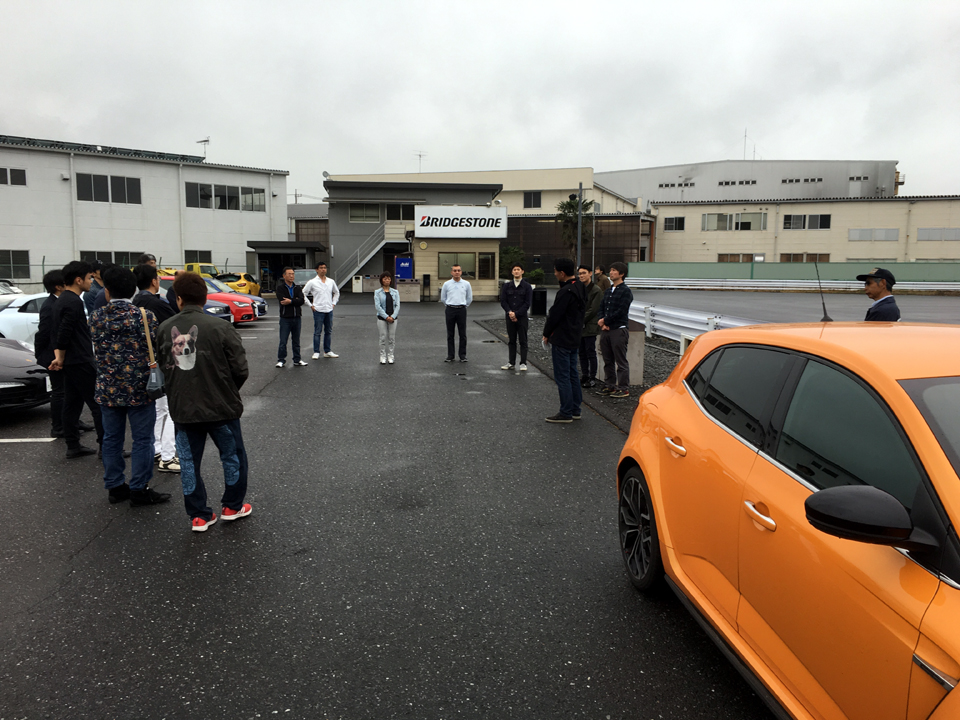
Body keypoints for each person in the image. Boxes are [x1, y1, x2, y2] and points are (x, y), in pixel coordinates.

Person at [157, 272, 251, 532]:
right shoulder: (221, 327)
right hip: (222, 407)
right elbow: (240, 369)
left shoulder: (164, 328)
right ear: (205, 297)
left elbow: (164, 367)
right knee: (231, 456)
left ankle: (198, 515)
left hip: (184, 409)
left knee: (188, 462)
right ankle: (232, 506)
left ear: (178, 299)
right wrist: (227, 390)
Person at [90, 267, 171, 506]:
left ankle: (115, 486)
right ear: (134, 290)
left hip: (107, 387)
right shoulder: (145, 316)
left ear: (107, 291)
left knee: (111, 438)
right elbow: (158, 346)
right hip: (140, 388)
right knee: (142, 439)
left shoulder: (96, 317)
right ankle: (139, 488)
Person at [50, 261, 104, 458]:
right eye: (89, 278)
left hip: (72, 361)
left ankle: (73, 445)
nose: (91, 282)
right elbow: (64, 333)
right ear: (78, 280)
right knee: (97, 404)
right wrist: (60, 358)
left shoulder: (62, 300)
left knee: (72, 403)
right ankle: (106, 447)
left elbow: (57, 333)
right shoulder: (73, 302)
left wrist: (60, 357)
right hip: (79, 360)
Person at [134, 264, 180, 473]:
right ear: (154, 281)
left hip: (144, 363)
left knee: (159, 408)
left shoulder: (135, 303)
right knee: (170, 409)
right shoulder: (156, 304)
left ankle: (157, 449)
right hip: (163, 362)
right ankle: (168, 457)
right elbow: (174, 328)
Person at [542, 258, 587, 423]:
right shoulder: (580, 287)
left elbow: (555, 315)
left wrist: (546, 333)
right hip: (575, 336)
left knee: (562, 376)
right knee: (573, 374)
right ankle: (575, 409)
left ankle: (565, 412)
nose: (554, 274)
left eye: (555, 271)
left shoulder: (565, 291)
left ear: (562, 273)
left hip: (562, 337)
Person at [35, 270, 66, 438]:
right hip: (52, 355)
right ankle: (58, 426)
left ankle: (71, 422)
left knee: (67, 391)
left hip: (60, 354)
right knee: (59, 391)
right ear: (58, 286)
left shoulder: (59, 302)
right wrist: (42, 354)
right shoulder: (50, 305)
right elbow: (44, 332)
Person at [597, 261, 634, 399]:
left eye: (614, 270)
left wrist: (606, 321)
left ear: (621, 274)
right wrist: (602, 321)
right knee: (608, 360)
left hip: (619, 329)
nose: (611, 273)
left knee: (620, 360)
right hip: (606, 330)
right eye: (611, 270)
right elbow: (602, 307)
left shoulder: (625, 291)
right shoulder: (608, 291)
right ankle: (609, 385)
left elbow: (621, 311)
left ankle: (623, 388)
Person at [302, 261, 340, 359]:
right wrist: (310, 305)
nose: (323, 269)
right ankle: (316, 351)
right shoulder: (312, 282)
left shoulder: (330, 281)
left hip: (329, 310)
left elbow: (336, 292)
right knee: (317, 331)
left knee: (328, 331)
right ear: (317, 270)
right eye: (321, 268)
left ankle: (327, 351)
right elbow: (303, 293)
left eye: (324, 268)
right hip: (318, 310)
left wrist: (333, 303)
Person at [500, 262, 532, 371]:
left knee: (523, 340)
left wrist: (516, 314)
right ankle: (511, 362)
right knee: (511, 340)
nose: (516, 271)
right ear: (512, 272)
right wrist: (510, 312)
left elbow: (527, 303)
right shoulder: (507, 286)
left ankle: (523, 363)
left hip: (522, 317)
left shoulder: (527, 287)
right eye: (514, 269)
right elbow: (503, 301)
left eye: (518, 269)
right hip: (509, 316)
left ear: (522, 271)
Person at [275, 266, 307, 368]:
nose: (291, 276)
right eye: (289, 274)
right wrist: (294, 300)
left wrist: (291, 301)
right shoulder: (280, 288)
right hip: (285, 318)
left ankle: (297, 359)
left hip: (297, 317)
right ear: (284, 276)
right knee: (283, 341)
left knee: (296, 341)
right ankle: (281, 360)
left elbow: (301, 300)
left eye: (293, 274)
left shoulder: (297, 288)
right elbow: (282, 300)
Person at [578, 264, 603, 388]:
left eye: (584, 273)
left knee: (590, 352)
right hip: (580, 326)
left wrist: (580, 319)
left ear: (590, 273)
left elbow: (594, 309)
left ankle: (592, 377)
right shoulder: (579, 288)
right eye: (580, 273)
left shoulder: (596, 290)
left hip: (590, 325)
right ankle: (585, 375)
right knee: (581, 352)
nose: (581, 276)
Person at [440, 264, 472, 362]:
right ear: (451, 272)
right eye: (455, 270)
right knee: (450, 334)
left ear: (461, 272)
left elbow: (469, 298)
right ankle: (450, 355)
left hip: (461, 309)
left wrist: (464, 305)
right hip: (450, 309)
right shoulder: (447, 284)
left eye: (458, 270)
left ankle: (462, 355)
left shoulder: (466, 284)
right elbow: (443, 298)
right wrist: (449, 305)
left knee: (462, 334)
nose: (457, 272)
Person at [374, 271, 400, 364]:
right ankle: (382, 356)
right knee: (383, 337)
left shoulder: (395, 292)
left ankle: (391, 355)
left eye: (389, 279)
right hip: (382, 318)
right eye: (385, 279)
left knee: (392, 338)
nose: (387, 280)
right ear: (381, 280)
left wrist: (393, 316)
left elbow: (397, 305)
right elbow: (378, 306)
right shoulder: (377, 292)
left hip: (393, 318)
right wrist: (386, 317)